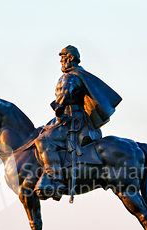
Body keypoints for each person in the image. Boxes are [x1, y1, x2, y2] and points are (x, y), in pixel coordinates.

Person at [34, 45, 122, 200]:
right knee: (41, 132)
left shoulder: (71, 77)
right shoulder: (75, 75)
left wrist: (58, 104)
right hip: (67, 119)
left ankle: (55, 179)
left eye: (63, 58)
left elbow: (65, 93)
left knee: (43, 140)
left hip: (74, 120)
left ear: (70, 59)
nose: (61, 61)